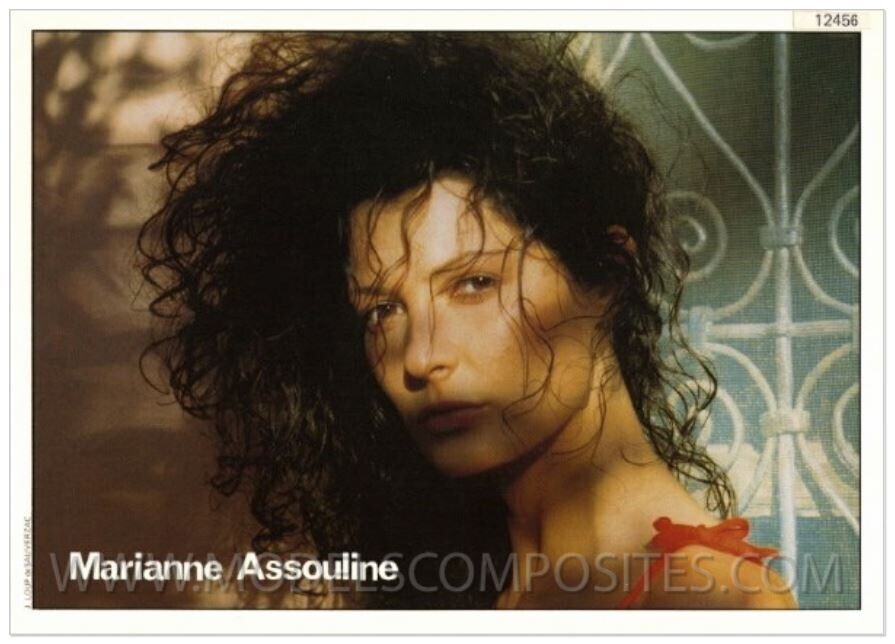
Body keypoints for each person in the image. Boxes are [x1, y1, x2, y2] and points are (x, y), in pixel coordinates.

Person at [137, 32, 797, 609]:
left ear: (608, 274)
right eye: (382, 311)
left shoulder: (706, 602)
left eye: (474, 283)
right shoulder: (466, 586)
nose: (419, 358)